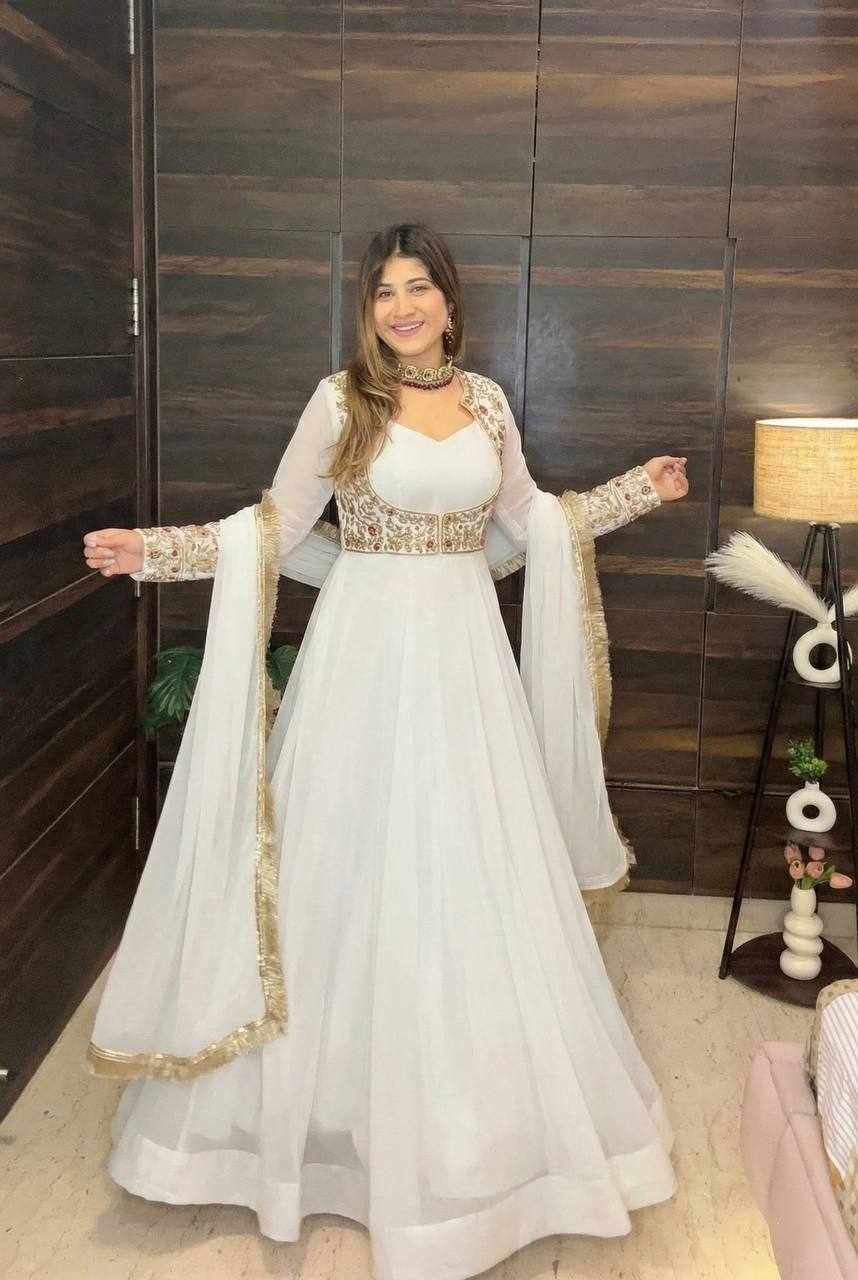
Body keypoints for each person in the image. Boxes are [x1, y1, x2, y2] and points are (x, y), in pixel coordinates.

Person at [82, 222, 689, 1280]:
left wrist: (641, 489)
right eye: (383, 293)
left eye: (419, 288)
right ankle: (308, 1127)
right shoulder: (342, 402)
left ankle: (470, 1127)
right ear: (368, 311)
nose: (402, 307)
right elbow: (274, 529)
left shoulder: (488, 403)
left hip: (464, 668)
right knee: (341, 868)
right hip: (360, 662)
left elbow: (528, 527)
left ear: (450, 303)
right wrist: (156, 552)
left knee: (466, 873)